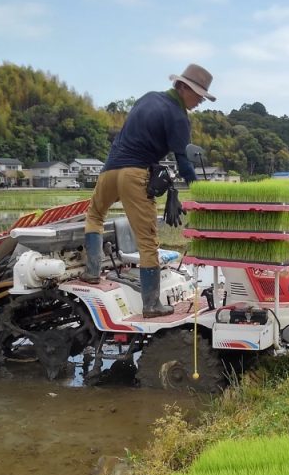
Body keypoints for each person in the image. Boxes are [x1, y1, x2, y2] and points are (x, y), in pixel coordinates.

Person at [81, 64, 216, 318]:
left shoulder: (147, 98)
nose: (200, 101)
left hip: (109, 171)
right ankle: (152, 304)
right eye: (198, 94)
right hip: (135, 174)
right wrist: (202, 190)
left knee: (95, 216)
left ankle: (91, 272)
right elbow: (183, 161)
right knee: (147, 241)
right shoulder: (178, 116)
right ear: (183, 87)